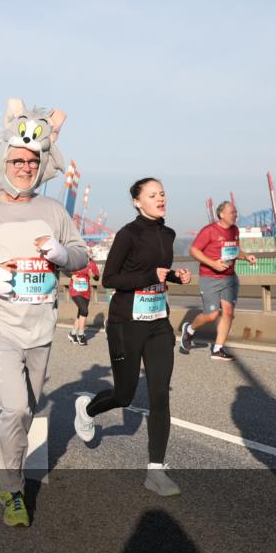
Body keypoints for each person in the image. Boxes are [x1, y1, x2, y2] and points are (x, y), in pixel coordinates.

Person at [0, 99, 88, 526]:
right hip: (0, 326)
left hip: (41, 326)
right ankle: (13, 489)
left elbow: (82, 256)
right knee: (14, 409)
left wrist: (62, 253)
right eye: (17, 159)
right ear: (3, 161)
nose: (25, 167)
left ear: (41, 163)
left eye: (32, 160)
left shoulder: (53, 211)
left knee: (27, 409)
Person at [72, 178, 192, 496]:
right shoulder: (128, 234)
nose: (160, 198)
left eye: (163, 193)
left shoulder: (168, 234)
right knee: (124, 395)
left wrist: (176, 277)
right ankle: (87, 410)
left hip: (158, 323)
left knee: (159, 396)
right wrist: (150, 276)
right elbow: (110, 278)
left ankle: (155, 469)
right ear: (137, 202)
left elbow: (159, 273)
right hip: (125, 323)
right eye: (152, 195)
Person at [179, 201, 257, 361]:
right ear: (222, 215)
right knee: (212, 315)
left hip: (229, 278)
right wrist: (213, 263)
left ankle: (218, 349)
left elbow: (235, 249)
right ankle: (189, 330)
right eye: (232, 212)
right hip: (210, 278)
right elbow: (193, 250)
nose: (235, 215)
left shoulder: (235, 230)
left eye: (236, 212)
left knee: (228, 312)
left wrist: (246, 256)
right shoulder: (209, 231)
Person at [67, 258, 101, 345]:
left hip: (86, 291)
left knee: (81, 311)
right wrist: (71, 276)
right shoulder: (75, 260)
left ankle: (73, 333)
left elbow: (97, 278)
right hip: (75, 289)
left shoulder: (92, 263)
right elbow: (64, 267)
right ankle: (81, 335)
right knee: (84, 311)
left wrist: (92, 275)